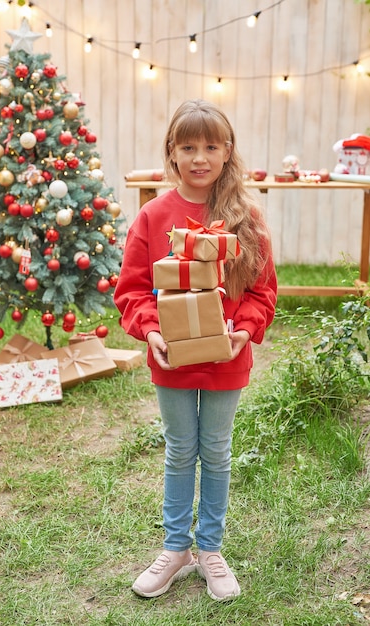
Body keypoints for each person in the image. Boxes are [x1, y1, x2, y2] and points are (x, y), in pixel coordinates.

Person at [113, 99, 277, 602]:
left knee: (218, 451)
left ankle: (210, 549)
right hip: (172, 357)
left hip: (228, 355)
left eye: (211, 146)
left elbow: (263, 291)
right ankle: (176, 548)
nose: (199, 157)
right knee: (181, 450)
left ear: (228, 152)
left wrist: (245, 331)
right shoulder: (153, 215)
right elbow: (133, 289)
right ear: (172, 153)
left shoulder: (245, 217)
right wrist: (152, 331)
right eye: (188, 147)